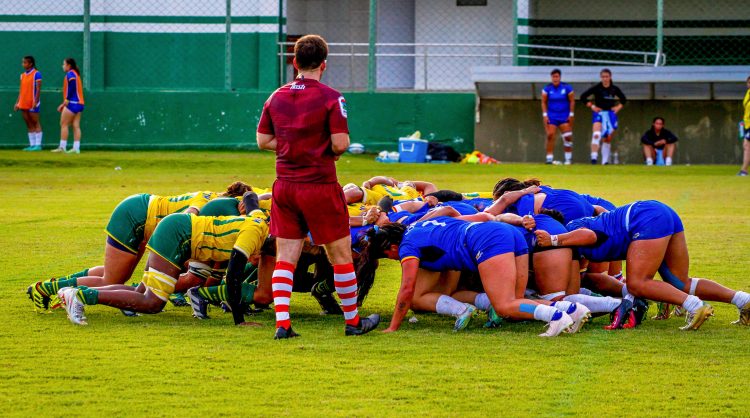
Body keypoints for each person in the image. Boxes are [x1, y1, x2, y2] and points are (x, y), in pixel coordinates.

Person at [256, 34, 380, 339]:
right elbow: (341, 143)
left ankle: (282, 324)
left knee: (286, 257)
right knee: (340, 256)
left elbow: (262, 141)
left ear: (295, 62)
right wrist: (321, 151)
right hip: (319, 186)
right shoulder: (331, 97)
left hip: (284, 186)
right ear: (324, 64)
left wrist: (292, 148)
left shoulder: (276, 96)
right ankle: (352, 322)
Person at [27, 183, 252, 311]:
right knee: (111, 281)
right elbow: (184, 221)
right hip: (134, 216)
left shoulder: (217, 202)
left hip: (141, 215)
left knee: (112, 276)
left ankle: (57, 288)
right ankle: (48, 288)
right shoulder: (209, 203)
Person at [534, 200, 750, 330]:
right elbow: (593, 278)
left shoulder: (570, 229)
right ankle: (744, 300)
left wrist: (554, 240)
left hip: (645, 218)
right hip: (660, 214)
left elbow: (589, 235)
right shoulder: (577, 243)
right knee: (679, 283)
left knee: (638, 283)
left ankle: (695, 306)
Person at [370, 217, 590, 337]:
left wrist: (393, 326)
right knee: (516, 304)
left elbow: (407, 288)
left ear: (393, 246)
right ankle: (571, 310)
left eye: (389, 255)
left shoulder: (407, 246)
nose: (392, 259)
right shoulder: (419, 226)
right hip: (504, 231)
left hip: (486, 240)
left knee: (504, 306)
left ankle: (554, 317)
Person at [57, 208, 270, 325]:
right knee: (153, 303)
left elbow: (251, 201)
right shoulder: (254, 235)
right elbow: (233, 275)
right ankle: (79, 295)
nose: (257, 263)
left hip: (178, 230)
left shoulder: (261, 219)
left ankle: (77, 292)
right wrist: (239, 321)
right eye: (261, 259)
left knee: (141, 291)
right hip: (178, 235)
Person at [580, 69, 626, 165]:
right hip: (599, 113)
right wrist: (592, 106)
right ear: (601, 77)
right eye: (603, 77)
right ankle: (594, 158)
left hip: (610, 114)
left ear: (610, 77)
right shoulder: (597, 88)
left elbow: (623, 99)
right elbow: (583, 97)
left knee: (607, 137)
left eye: (607, 76)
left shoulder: (614, 89)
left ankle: (605, 161)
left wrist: (618, 107)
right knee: (596, 134)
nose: (605, 79)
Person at [541, 69, 575, 165]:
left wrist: (571, 114)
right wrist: (545, 115)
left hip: (564, 116)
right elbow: (543, 101)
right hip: (552, 116)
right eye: (553, 77)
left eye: (557, 76)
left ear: (560, 77)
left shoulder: (567, 87)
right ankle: (549, 158)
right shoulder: (547, 88)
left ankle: (568, 159)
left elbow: (572, 101)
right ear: (551, 77)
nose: (555, 78)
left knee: (567, 137)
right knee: (550, 135)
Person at [53, 58, 84, 154]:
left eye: (64, 64)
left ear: (69, 65)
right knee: (76, 126)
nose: (63, 66)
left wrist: (66, 100)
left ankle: (62, 147)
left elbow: (72, 86)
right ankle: (76, 148)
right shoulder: (76, 73)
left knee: (64, 124)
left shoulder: (70, 74)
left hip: (72, 103)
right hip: (80, 103)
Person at [14, 56, 43, 151]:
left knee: (35, 122)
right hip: (23, 102)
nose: (23, 64)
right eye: (23, 62)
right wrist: (17, 102)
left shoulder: (36, 74)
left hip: (33, 102)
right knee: (28, 123)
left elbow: (38, 89)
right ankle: (32, 145)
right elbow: (21, 90)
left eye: (25, 62)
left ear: (30, 64)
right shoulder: (22, 75)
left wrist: (36, 101)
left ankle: (38, 145)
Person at [739, 76, 750, 176]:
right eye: (748, 83)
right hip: (747, 124)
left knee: (747, 145)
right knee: (745, 146)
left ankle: (744, 170)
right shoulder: (748, 93)